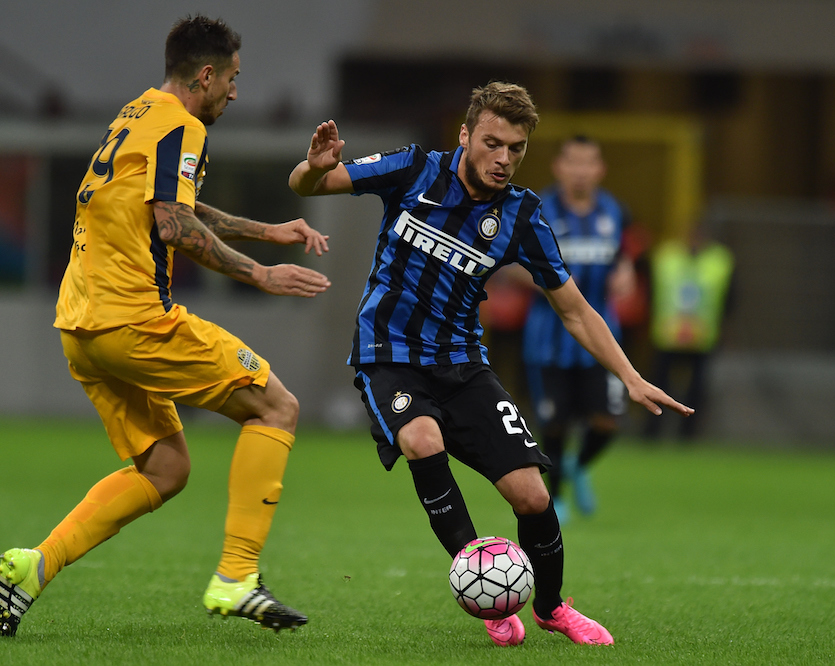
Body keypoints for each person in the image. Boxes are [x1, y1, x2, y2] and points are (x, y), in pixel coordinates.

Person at [289, 82, 692, 647]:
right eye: (493, 143)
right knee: (422, 439)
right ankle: (491, 597)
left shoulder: (522, 216)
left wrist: (630, 376)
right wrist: (312, 168)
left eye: (516, 148)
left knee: (533, 496)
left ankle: (551, 608)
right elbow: (310, 184)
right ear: (465, 135)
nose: (503, 158)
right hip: (389, 354)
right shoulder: (414, 170)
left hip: (462, 364)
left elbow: (575, 310)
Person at [0, 14, 329, 637]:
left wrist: (266, 230)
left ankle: (36, 566)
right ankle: (237, 577)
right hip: (133, 320)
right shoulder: (183, 126)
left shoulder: (137, 113)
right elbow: (174, 225)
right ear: (206, 74)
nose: (235, 92)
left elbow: (169, 205)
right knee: (276, 407)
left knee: (166, 469)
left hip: (81, 327)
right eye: (232, 79)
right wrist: (260, 273)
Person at [523, 136, 634, 524]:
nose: (581, 171)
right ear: (559, 167)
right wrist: (545, 281)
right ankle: (557, 499)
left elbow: (623, 257)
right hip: (548, 341)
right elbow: (511, 265)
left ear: (600, 169)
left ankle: (578, 465)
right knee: (554, 424)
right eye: (573, 162)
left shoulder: (615, 212)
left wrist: (625, 273)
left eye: (589, 162)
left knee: (607, 422)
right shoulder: (537, 209)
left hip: (601, 340)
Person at [643, 225, 734, 440]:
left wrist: (723, 326)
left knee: (696, 389)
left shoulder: (720, 260)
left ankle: (688, 434)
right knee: (659, 384)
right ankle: (652, 431)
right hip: (668, 334)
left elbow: (730, 297)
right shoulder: (667, 256)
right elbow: (650, 290)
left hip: (702, 336)